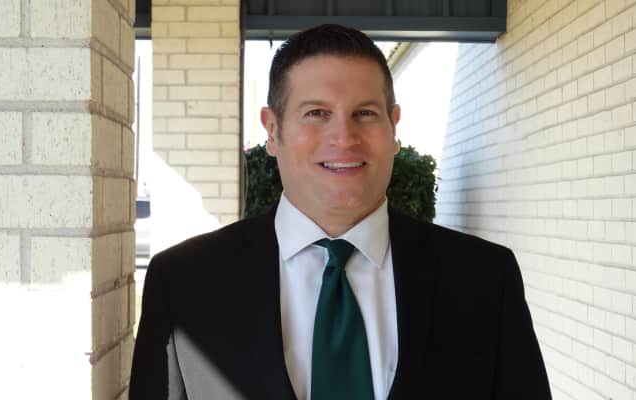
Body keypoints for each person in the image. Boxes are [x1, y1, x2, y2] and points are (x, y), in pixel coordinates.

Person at [129, 24, 551, 400]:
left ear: (393, 126)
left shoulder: (484, 279)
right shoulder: (184, 284)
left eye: (364, 113)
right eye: (316, 113)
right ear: (273, 130)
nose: (344, 137)